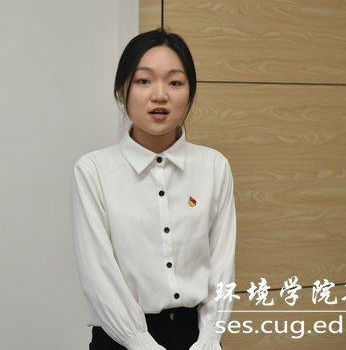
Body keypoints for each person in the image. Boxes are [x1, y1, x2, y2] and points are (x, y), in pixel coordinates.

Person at [71, 29, 236, 350]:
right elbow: (98, 273)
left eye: (175, 82)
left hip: (198, 339)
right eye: (144, 81)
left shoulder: (214, 166)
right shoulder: (93, 170)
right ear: (122, 92)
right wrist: (139, 341)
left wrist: (210, 338)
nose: (160, 95)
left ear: (190, 93)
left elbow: (222, 263)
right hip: (121, 339)